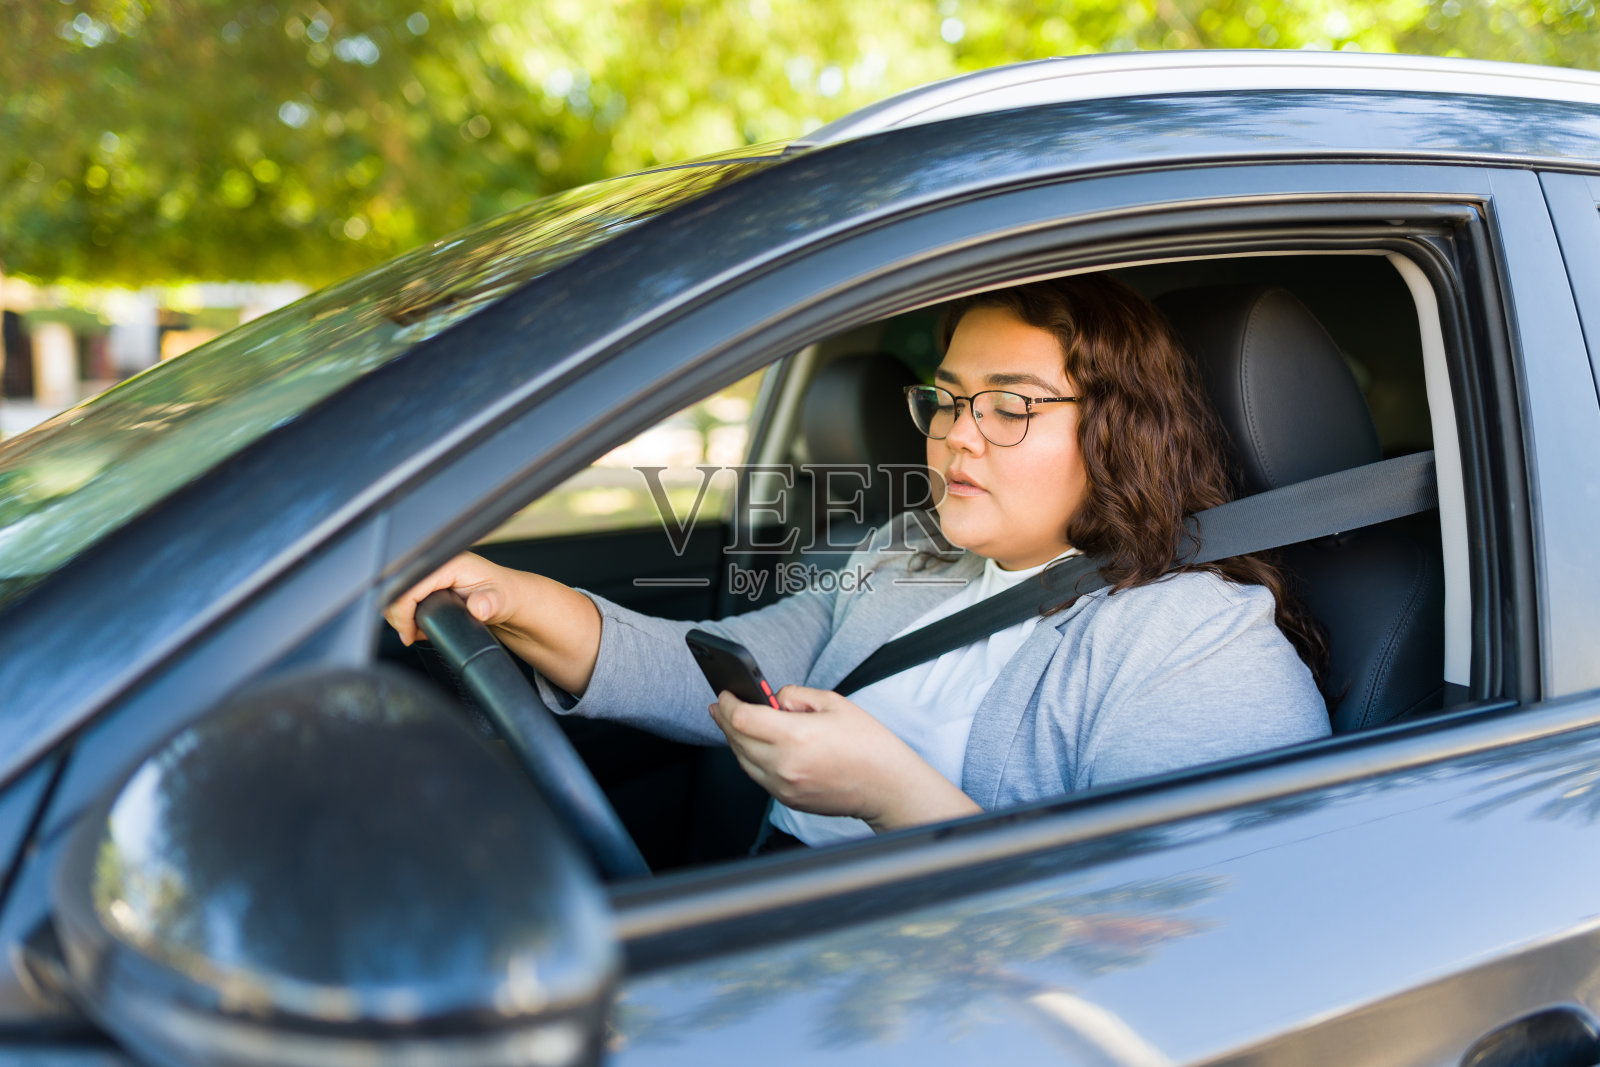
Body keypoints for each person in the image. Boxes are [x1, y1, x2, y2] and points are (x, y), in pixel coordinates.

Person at [385, 275, 1331, 849]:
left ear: (1124, 431)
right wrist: (513, 599)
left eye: (1011, 406)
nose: (959, 436)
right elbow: (712, 663)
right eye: (951, 399)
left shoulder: (1200, 644)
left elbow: (1172, 944)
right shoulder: (909, 549)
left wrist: (892, 795)